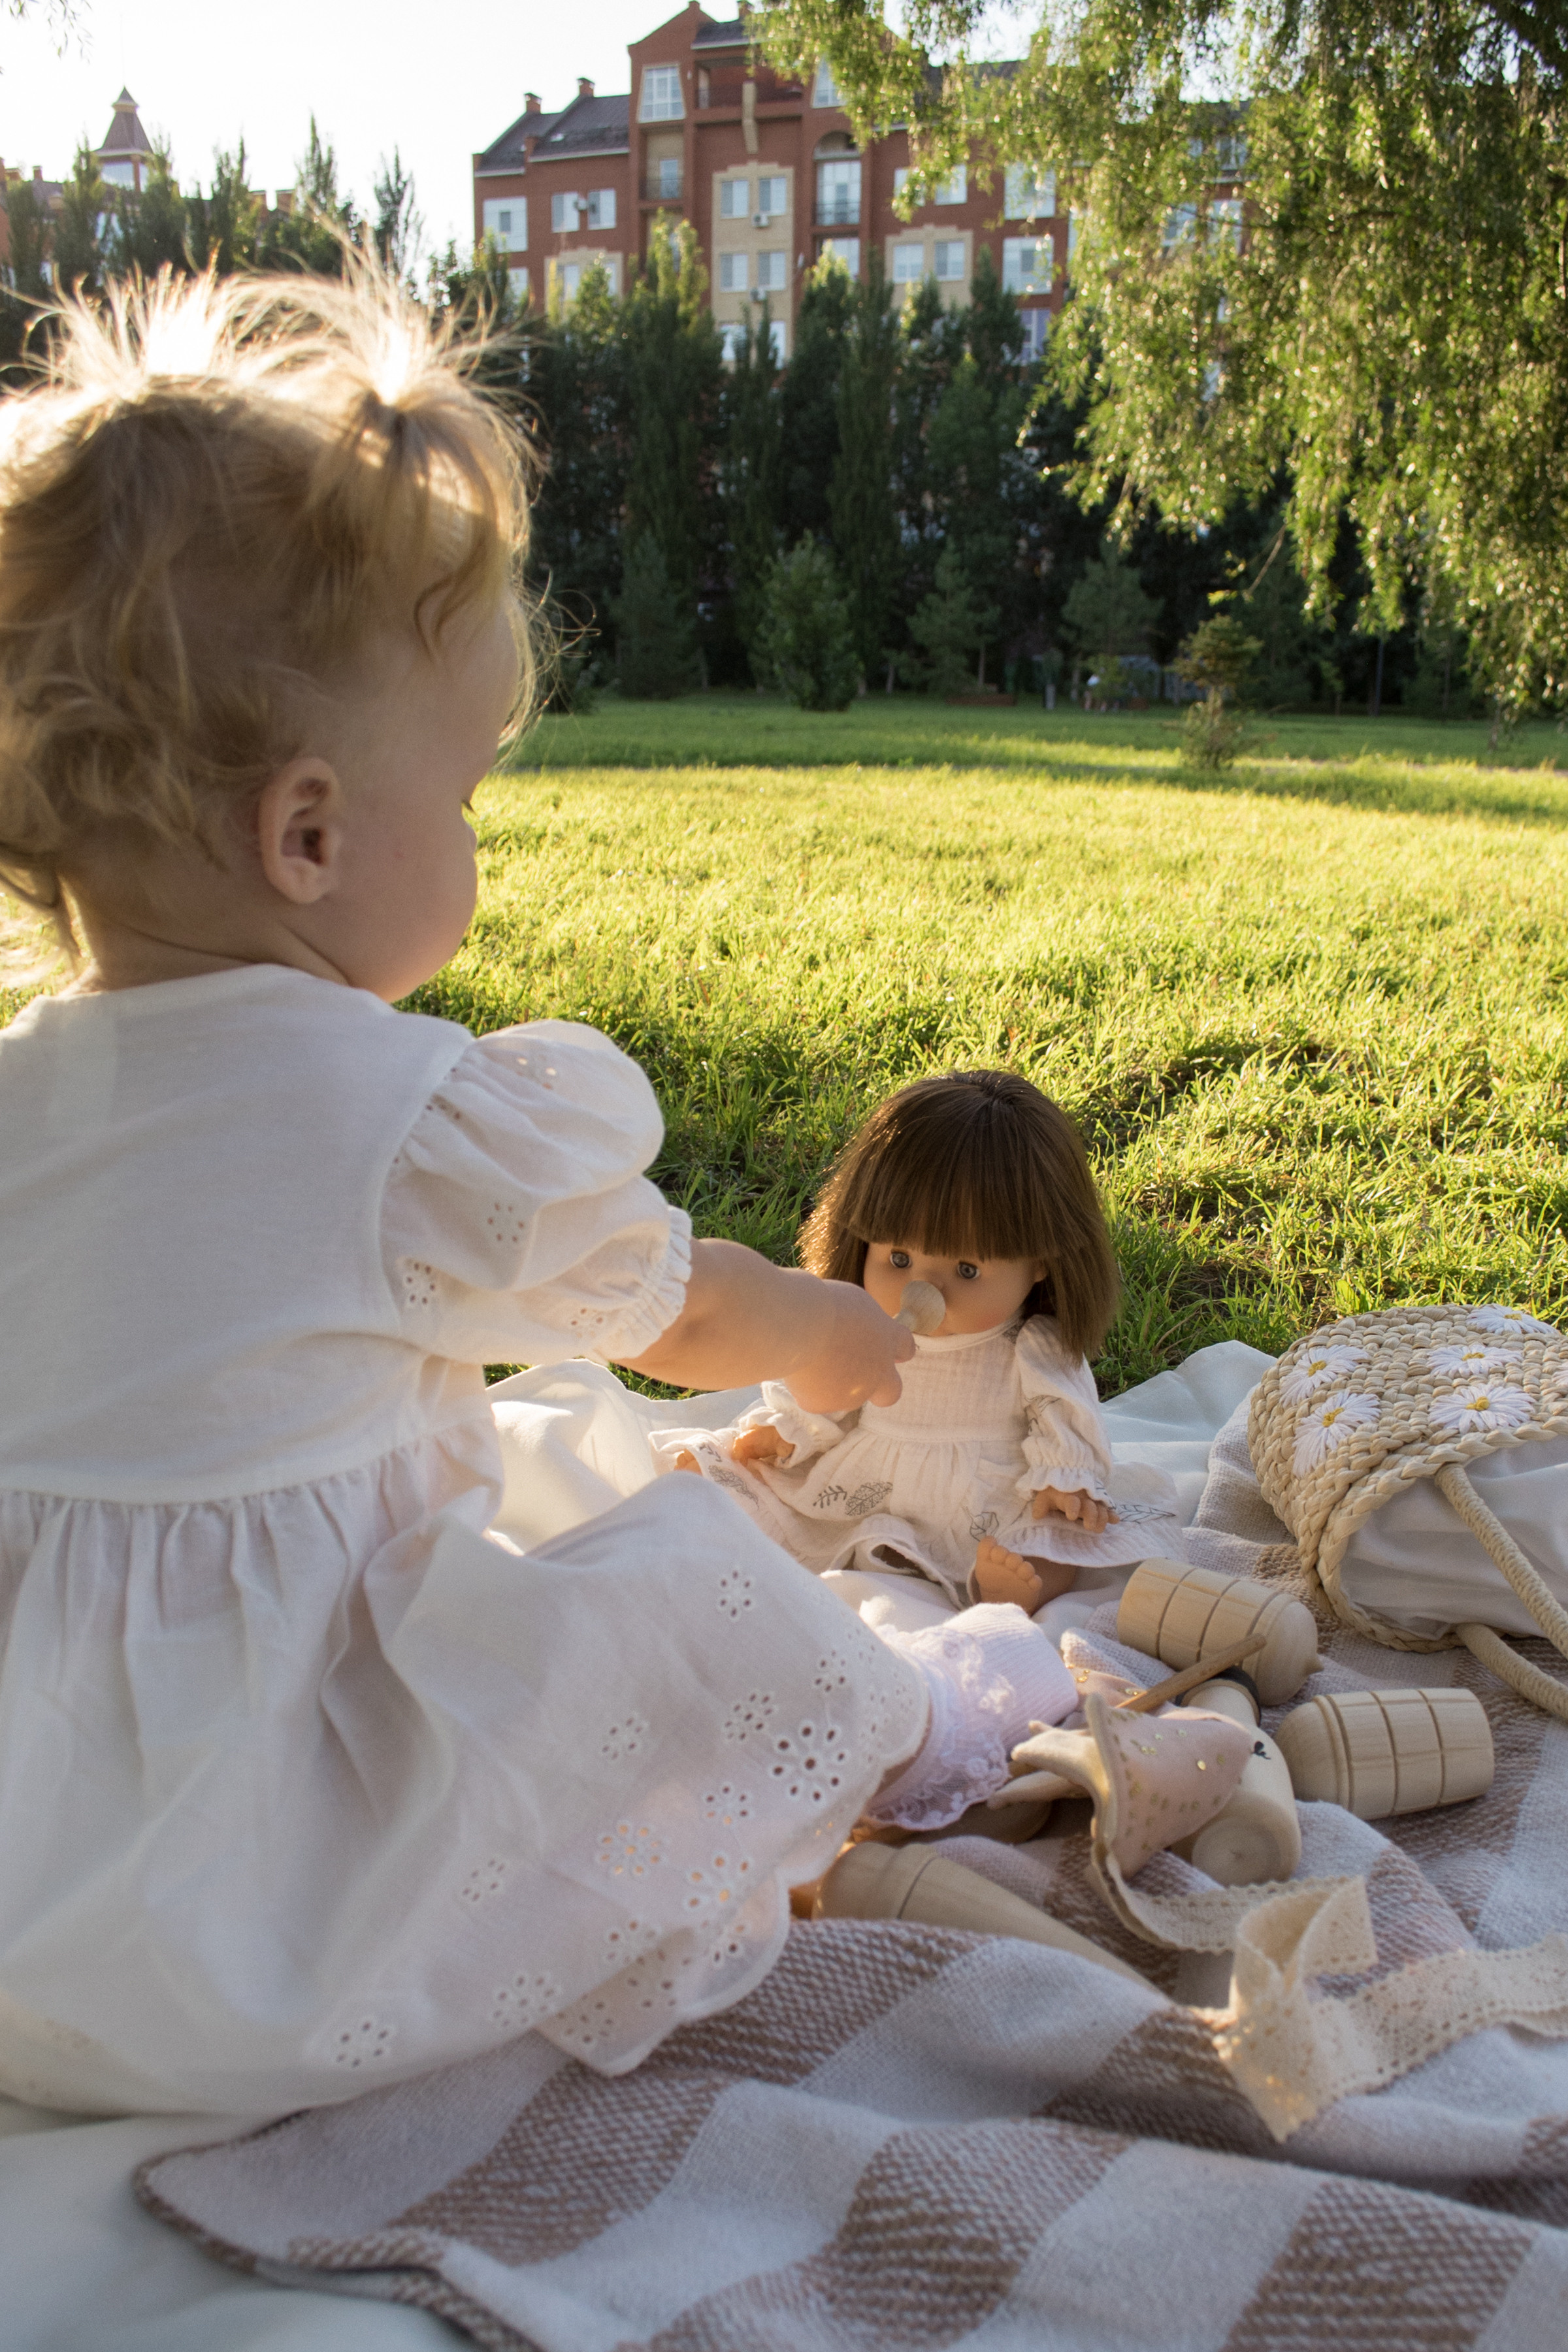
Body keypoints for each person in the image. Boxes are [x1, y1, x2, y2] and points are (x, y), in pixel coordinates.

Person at [0, 267, 1077, 2119]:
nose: (484, 837)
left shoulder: (26, 1094)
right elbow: (677, 1313)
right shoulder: (404, 1112)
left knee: (545, 1457)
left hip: (43, 1893)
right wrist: (819, 1329)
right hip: (271, 1887)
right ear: (311, 834)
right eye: (476, 791)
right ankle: (906, 1737)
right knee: (675, 1592)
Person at [660, 1072, 1184, 1630]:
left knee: (1051, 1544)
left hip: (983, 1502)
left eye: (966, 1270)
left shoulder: (1030, 1346)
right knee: (743, 1483)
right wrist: (790, 1431)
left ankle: (1004, 1590)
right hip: (865, 1482)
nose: (924, 1290)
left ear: (1041, 1262)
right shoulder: (864, 1322)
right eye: (900, 1259)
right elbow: (836, 1391)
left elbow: (1061, 1414)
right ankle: (721, 1512)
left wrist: (1063, 1478)